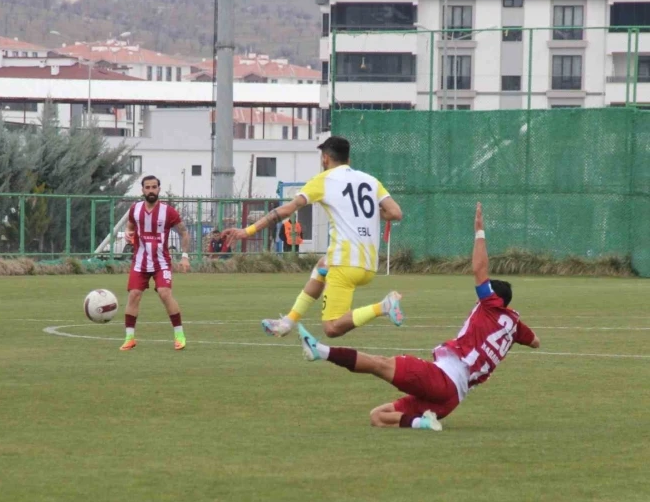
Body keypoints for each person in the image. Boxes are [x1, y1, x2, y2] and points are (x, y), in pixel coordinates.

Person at [297, 203, 541, 431]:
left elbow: (479, 269)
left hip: (442, 379)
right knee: (377, 416)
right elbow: (535, 341)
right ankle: (422, 424)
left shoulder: (490, 304)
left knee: (379, 364)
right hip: (451, 399)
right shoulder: (515, 326)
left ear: (494, 299)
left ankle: (320, 351)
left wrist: (479, 231)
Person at [224, 135, 404, 339]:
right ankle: (287, 322)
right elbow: (395, 213)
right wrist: (365, 215)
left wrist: (247, 231)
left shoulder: (323, 180)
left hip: (345, 263)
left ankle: (383, 307)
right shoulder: (370, 180)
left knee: (332, 327)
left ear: (325, 159)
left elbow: (287, 210)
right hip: (369, 263)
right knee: (321, 266)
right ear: (349, 160)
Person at [120, 175, 191, 352]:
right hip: (140, 262)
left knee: (164, 293)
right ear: (142, 190)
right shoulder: (135, 209)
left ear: (159, 189)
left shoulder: (168, 211)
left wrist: (184, 256)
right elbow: (129, 226)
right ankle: (129, 338)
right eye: (147, 187)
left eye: (154, 187)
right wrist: (128, 233)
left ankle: (179, 335)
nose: (151, 190)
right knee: (134, 295)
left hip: (161, 262)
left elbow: (184, 232)